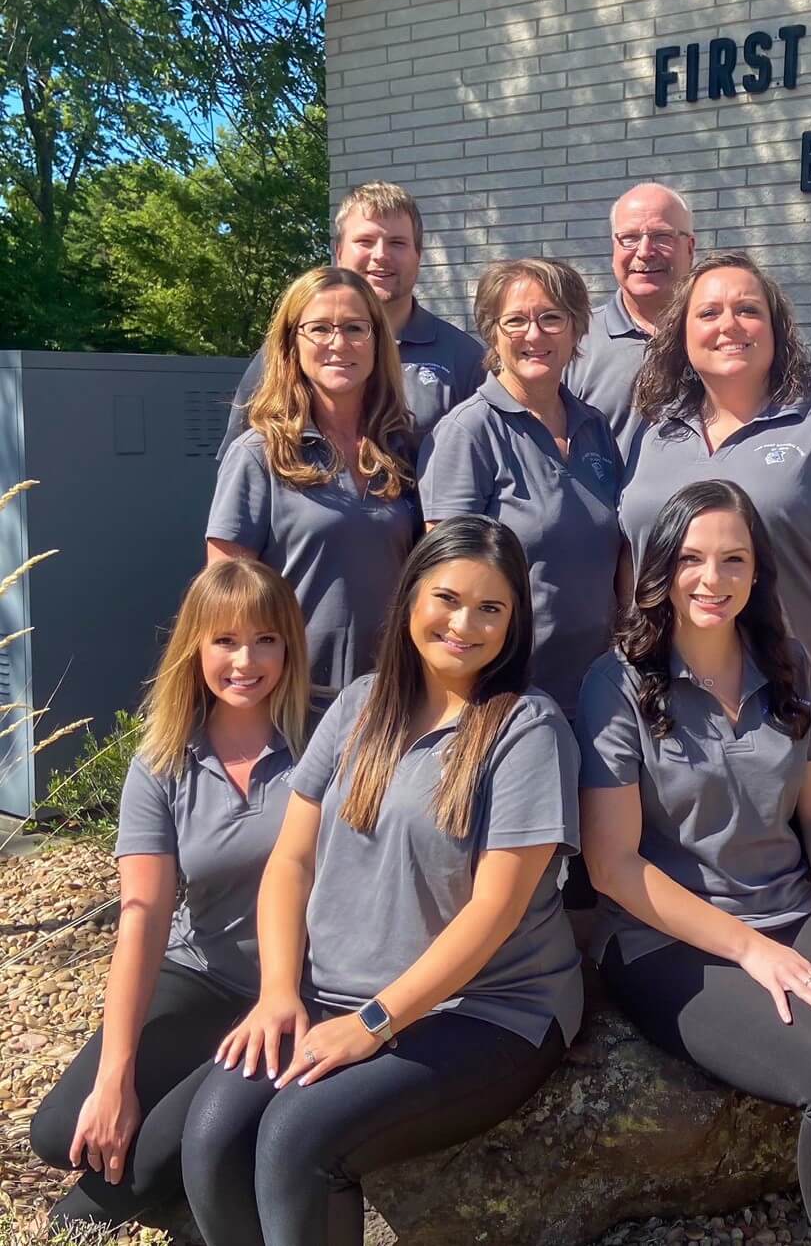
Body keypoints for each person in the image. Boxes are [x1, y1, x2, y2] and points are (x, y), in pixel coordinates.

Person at [180, 516, 582, 1246]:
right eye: (447, 598)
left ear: (515, 621)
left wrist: (374, 1024)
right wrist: (277, 993)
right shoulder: (360, 703)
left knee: (298, 1137)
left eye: (491, 608)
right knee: (210, 1139)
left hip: (487, 1010)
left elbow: (492, 911)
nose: (464, 624)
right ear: (410, 600)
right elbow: (290, 861)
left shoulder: (526, 729)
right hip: (333, 990)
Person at [578, 479, 811, 1246]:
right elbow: (613, 866)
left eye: (732, 559)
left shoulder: (784, 664)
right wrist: (753, 951)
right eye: (690, 558)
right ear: (662, 568)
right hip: (669, 940)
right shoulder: (615, 683)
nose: (710, 579)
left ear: (757, 572)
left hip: (794, 911)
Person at [29, 560, 312, 1227]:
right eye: (226, 640)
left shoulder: (319, 741)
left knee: (154, 1151)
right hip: (199, 972)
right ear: (196, 645)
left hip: (292, 989)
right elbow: (144, 919)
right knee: (60, 1129)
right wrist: (114, 1076)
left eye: (266, 639)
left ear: (289, 647)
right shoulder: (162, 762)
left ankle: (75, 1224)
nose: (246, 660)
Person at [619, 251, 811, 795]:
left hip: (802, 720)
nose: (729, 325)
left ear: (777, 329)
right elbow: (631, 561)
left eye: (748, 310)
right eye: (709, 314)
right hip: (671, 719)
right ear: (681, 334)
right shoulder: (657, 432)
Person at [418, 257, 621, 724]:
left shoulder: (595, 429)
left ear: (576, 330)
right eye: (515, 320)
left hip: (595, 688)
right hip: (503, 694)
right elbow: (444, 581)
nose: (534, 334)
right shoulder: (468, 432)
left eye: (552, 317)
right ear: (492, 332)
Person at [207, 266, 421, 694]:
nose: (338, 343)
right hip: (293, 698)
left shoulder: (402, 449)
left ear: (377, 342)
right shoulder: (258, 454)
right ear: (291, 343)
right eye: (320, 328)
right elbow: (226, 598)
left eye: (355, 328)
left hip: (391, 693)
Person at [218, 181, 483, 457]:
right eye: (365, 241)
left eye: (397, 243)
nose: (381, 255)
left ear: (419, 256)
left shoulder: (464, 360)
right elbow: (241, 463)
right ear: (339, 251)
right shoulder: (291, 349)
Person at [563, 182, 695, 457]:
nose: (645, 251)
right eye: (630, 238)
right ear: (614, 247)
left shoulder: (719, 338)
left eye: (662, 236)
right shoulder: (572, 340)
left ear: (690, 247)